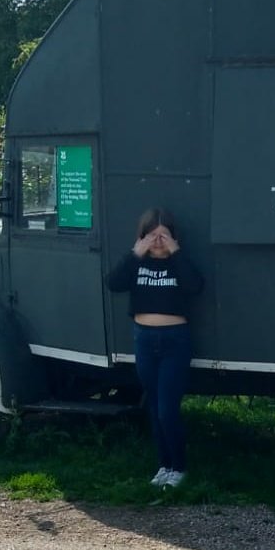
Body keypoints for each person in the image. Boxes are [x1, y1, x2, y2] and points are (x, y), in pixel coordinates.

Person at [106, 208, 203, 489]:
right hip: (144, 339)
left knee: (167, 409)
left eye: (163, 235)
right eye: (152, 235)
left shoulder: (179, 263)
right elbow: (113, 283)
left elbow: (196, 286)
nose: (158, 241)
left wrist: (176, 251)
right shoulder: (136, 264)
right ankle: (164, 465)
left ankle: (179, 467)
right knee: (154, 405)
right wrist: (135, 253)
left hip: (175, 340)